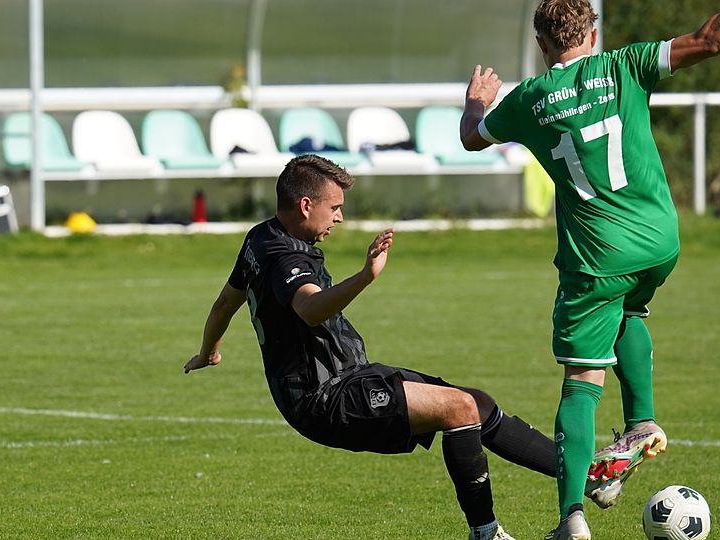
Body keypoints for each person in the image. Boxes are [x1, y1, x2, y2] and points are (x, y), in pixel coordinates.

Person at [459, 0, 720, 538]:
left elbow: (471, 138)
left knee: (581, 383)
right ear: (593, 34)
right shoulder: (625, 65)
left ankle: (571, 517)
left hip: (597, 257)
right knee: (629, 308)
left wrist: (477, 103)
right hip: (659, 241)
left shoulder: (528, 99)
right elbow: (716, 38)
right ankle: (640, 423)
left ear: (542, 45)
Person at [184, 154, 557, 540]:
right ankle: (486, 533)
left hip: (349, 377)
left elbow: (224, 303)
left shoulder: (260, 237)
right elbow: (310, 308)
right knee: (459, 408)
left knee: (476, 403)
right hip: (324, 397)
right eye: (334, 207)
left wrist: (208, 352)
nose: (340, 217)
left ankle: (581, 477)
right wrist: (365, 276)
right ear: (306, 205)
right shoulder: (284, 257)